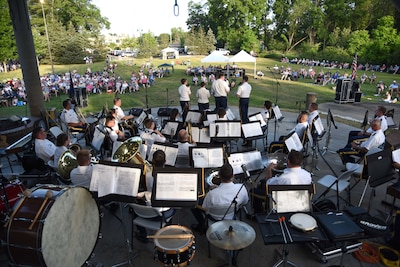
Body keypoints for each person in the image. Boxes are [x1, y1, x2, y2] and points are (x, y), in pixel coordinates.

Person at [191, 163, 249, 231]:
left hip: (214, 219)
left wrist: (215, 190)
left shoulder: (211, 194)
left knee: (194, 204)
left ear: (220, 176)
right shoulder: (241, 188)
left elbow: (205, 208)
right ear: (232, 176)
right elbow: (245, 203)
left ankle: (202, 225)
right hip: (231, 216)